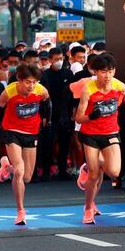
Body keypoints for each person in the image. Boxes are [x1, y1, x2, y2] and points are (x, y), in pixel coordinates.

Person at [73, 53, 125, 224]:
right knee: (93, 175)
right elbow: (78, 118)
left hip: (110, 132)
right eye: (104, 72)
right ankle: (88, 208)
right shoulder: (88, 89)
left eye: (111, 71)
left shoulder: (117, 84)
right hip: (90, 134)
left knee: (113, 172)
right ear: (96, 72)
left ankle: (96, 163)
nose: (108, 76)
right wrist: (91, 116)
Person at [0, 63, 50, 225]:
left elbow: (48, 103)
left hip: (31, 133)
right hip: (12, 132)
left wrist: (47, 119)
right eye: (28, 82)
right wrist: (0, 129)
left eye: (34, 82)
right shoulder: (10, 91)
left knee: (27, 177)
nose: (31, 86)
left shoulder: (41, 90)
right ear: (19, 80)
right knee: (19, 171)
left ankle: (6, 166)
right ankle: (20, 211)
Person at [40, 47, 75, 181]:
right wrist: (44, 116)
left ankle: (62, 171)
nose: (59, 62)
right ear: (50, 60)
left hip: (65, 113)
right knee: (47, 143)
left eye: (60, 59)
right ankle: (46, 172)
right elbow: (42, 98)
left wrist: (71, 111)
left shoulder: (68, 74)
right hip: (49, 114)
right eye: (56, 59)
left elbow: (72, 96)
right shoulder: (45, 75)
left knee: (64, 143)